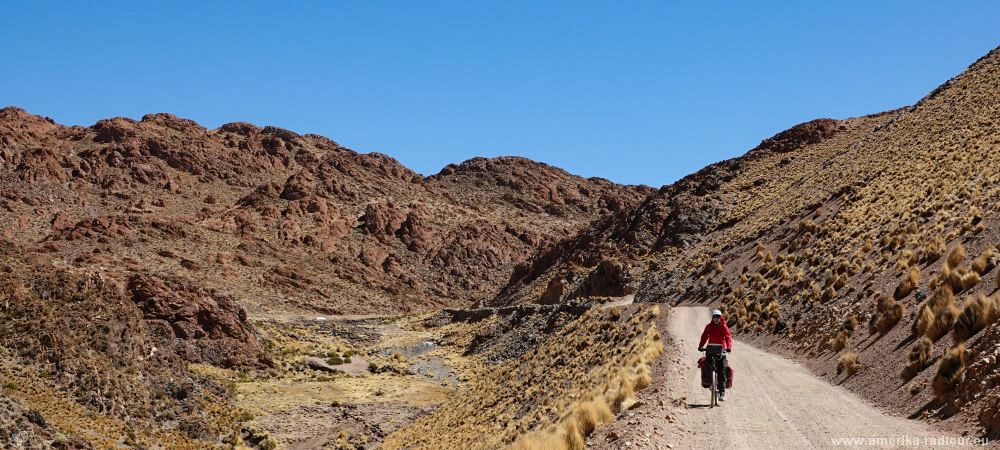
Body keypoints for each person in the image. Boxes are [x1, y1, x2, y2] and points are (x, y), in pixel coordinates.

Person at [698, 309, 732, 400]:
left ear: (720, 318)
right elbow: (704, 336)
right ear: (712, 318)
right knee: (707, 366)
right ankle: (709, 382)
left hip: (721, 350)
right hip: (711, 349)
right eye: (714, 317)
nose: (716, 319)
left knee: (722, 371)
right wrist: (701, 346)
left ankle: (722, 393)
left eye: (718, 317)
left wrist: (729, 347)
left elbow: (728, 337)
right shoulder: (709, 327)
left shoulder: (724, 326)